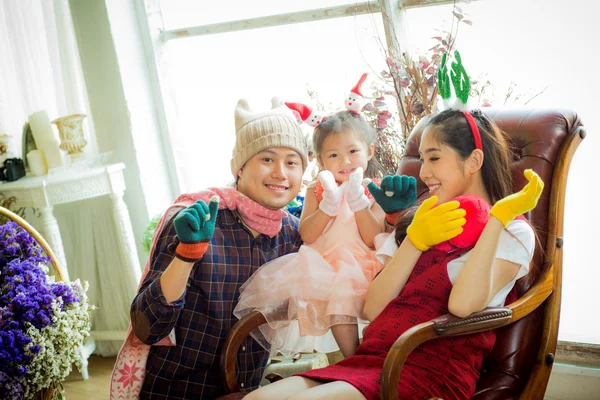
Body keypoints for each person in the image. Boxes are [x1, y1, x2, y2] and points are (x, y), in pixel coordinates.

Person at [245, 107, 544, 400]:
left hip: (433, 372)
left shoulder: (512, 232)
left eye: (434, 158)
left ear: (474, 160)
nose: (424, 173)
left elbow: (463, 305)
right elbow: (372, 308)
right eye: (422, 159)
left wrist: (495, 221)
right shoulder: (417, 222)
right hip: (373, 360)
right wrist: (414, 241)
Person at [109, 97, 309, 400]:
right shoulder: (197, 219)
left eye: (292, 162)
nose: (281, 173)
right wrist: (186, 255)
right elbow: (147, 328)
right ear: (239, 168)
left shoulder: (292, 233)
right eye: (267, 159)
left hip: (247, 392)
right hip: (179, 391)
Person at [234, 109, 417, 359]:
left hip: (363, 262)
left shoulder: (373, 189)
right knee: (336, 293)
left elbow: (372, 237)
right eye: (334, 155)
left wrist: (358, 203)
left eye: (353, 152)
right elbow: (307, 234)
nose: (345, 161)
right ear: (321, 161)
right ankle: (353, 359)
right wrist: (327, 206)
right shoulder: (317, 190)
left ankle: (372, 355)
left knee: (352, 291)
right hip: (322, 264)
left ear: (369, 151)